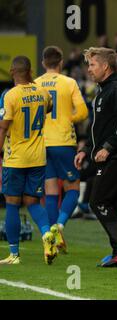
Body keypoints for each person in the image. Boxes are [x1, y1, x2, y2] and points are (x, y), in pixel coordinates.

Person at [74, 47, 117, 267]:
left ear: (105, 66)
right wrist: (85, 149)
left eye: (92, 65)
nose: (89, 69)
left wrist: (108, 147)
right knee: (110, 202)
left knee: (97, 200)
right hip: (108, 155)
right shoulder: (104, 90)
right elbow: (98, 128)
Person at [0, 56, 58, 265]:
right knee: (33, 202)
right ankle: (46, 234)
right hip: (38, 156)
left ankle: (14, 254)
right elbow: (48, 108)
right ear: (30, 71)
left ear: (12, 71)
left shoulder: (10, 96)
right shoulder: (42, 92)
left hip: (15, 158)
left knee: (12, 204)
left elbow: (3, 126)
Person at [35, 46, 89, 254]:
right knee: (73, 188)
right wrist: (68, 119)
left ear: (43, 63)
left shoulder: (36, 84)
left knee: (50, 191)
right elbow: (83, 112)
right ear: (61, 62)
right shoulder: (69, 82)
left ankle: (50, 241)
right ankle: (59, 226)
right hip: (63, 141)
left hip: (41, 143)